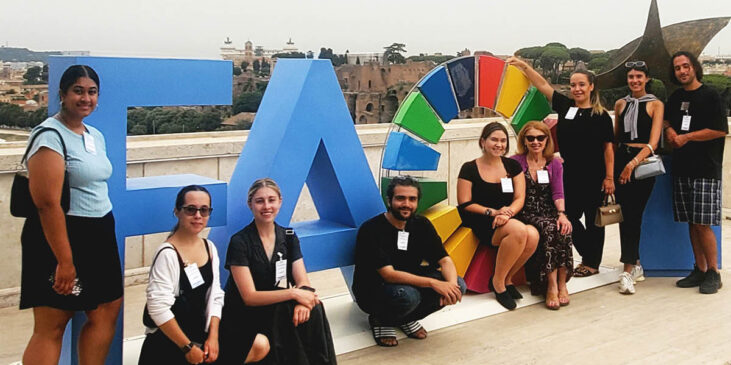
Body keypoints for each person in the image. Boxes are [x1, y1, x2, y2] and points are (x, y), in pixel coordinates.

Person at [19, 65, 123, 365]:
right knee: (53, 323)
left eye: (92, 92)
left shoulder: (94, 135)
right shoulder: (49, 137)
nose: (85, 98)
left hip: (99, 232)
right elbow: (47, 204)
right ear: (62, 95)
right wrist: (64, 261)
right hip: (61, 236)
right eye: (78, 91)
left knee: (106, 310)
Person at [507, 56, 615, 278]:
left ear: (591, 87)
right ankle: (588, 254)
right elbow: (543, 85)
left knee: (596, 222)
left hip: (595, 176)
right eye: (573, 85)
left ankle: (592, 263)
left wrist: (610, 177)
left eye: (581, 84)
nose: (576, 89)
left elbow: (608, 149)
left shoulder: (602, 116)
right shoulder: (566, 107)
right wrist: (525, 66)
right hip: (568, 175)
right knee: (567, 217)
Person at [139, 185, 268, 364]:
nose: (198, 215)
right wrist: (187, 347)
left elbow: (215, 295)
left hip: (200, 332)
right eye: (191, 209)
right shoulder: (168, 254)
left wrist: (213, 336)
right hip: (172, 339)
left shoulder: (209, 248)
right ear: (177, 211)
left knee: (260, 344)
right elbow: (158, 309)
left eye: (204, 210)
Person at [220, 178, 337, 364]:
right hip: (245, 313)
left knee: (313, 306)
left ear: (280, 202)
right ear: (250, 204)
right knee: (284, 311)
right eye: (260, 201)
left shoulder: (288, 237)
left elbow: (303, 282)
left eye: (271, 200)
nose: (266, 206)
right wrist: (293, 293)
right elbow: (249, 297)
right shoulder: (240, 242)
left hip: (276, 306)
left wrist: (303, 302)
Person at [352, 176, 467, 347]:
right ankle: (381, 320)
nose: (406, 204)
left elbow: (444, 259)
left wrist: (450, 285)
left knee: (459, 284)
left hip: (409, 282)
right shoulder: (371, 229)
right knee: (408, 297)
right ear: (389, 200)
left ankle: (406, 318)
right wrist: (433, 283)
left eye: (412, 199)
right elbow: (388, 275)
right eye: (400, 198)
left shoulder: (421, 224)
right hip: (375, 289)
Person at [664, 51, 728, 294]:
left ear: (694, 68)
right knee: (692, 222)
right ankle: (699, 269)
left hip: (706, 169)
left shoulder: (711, 95)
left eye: (686, 66)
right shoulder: (677, 97)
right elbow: (668, 121)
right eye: (678, 68)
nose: (682, 71)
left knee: (703, 224)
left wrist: (688, 136)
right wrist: (670, 132)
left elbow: (720, 130)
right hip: (683, 169)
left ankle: (714, 272)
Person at [457, 122, 539, 310]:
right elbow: (465, 203)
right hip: (481, 219)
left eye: (503, 141)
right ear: (483, 141)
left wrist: (507, 213)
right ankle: (498, 283)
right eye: (494, 139)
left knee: (533, 234)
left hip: (507, 217)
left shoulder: (512, 165)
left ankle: (508, 278)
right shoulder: (469, 168)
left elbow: (519, 197)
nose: (499, 144)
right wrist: (493, 212)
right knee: (519, 230)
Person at [612, 61, 664, 295]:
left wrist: (632, 164)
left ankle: (627, 269)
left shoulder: (655, 104)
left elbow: (653, 142)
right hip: (621, 159)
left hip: (641, 162)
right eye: (631, 77)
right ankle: (635, 264)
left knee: (634, 215)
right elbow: (615, 139)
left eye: (639, 76)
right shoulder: (620, 104)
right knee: (625, 216)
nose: (634, 80)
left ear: (647, 79)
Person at [511, 121, 573, 309]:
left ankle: (562, 284)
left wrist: (562, 214)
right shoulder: (515, 162)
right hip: (527, 211)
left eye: (540, 138)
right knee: (549, 228)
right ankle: (551, 286)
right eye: (531, 138)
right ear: (524, 140)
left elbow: (558, 192)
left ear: (547, 140)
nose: (536, 142)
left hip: (549, 210)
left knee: (564, 229)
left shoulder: (554, 163)